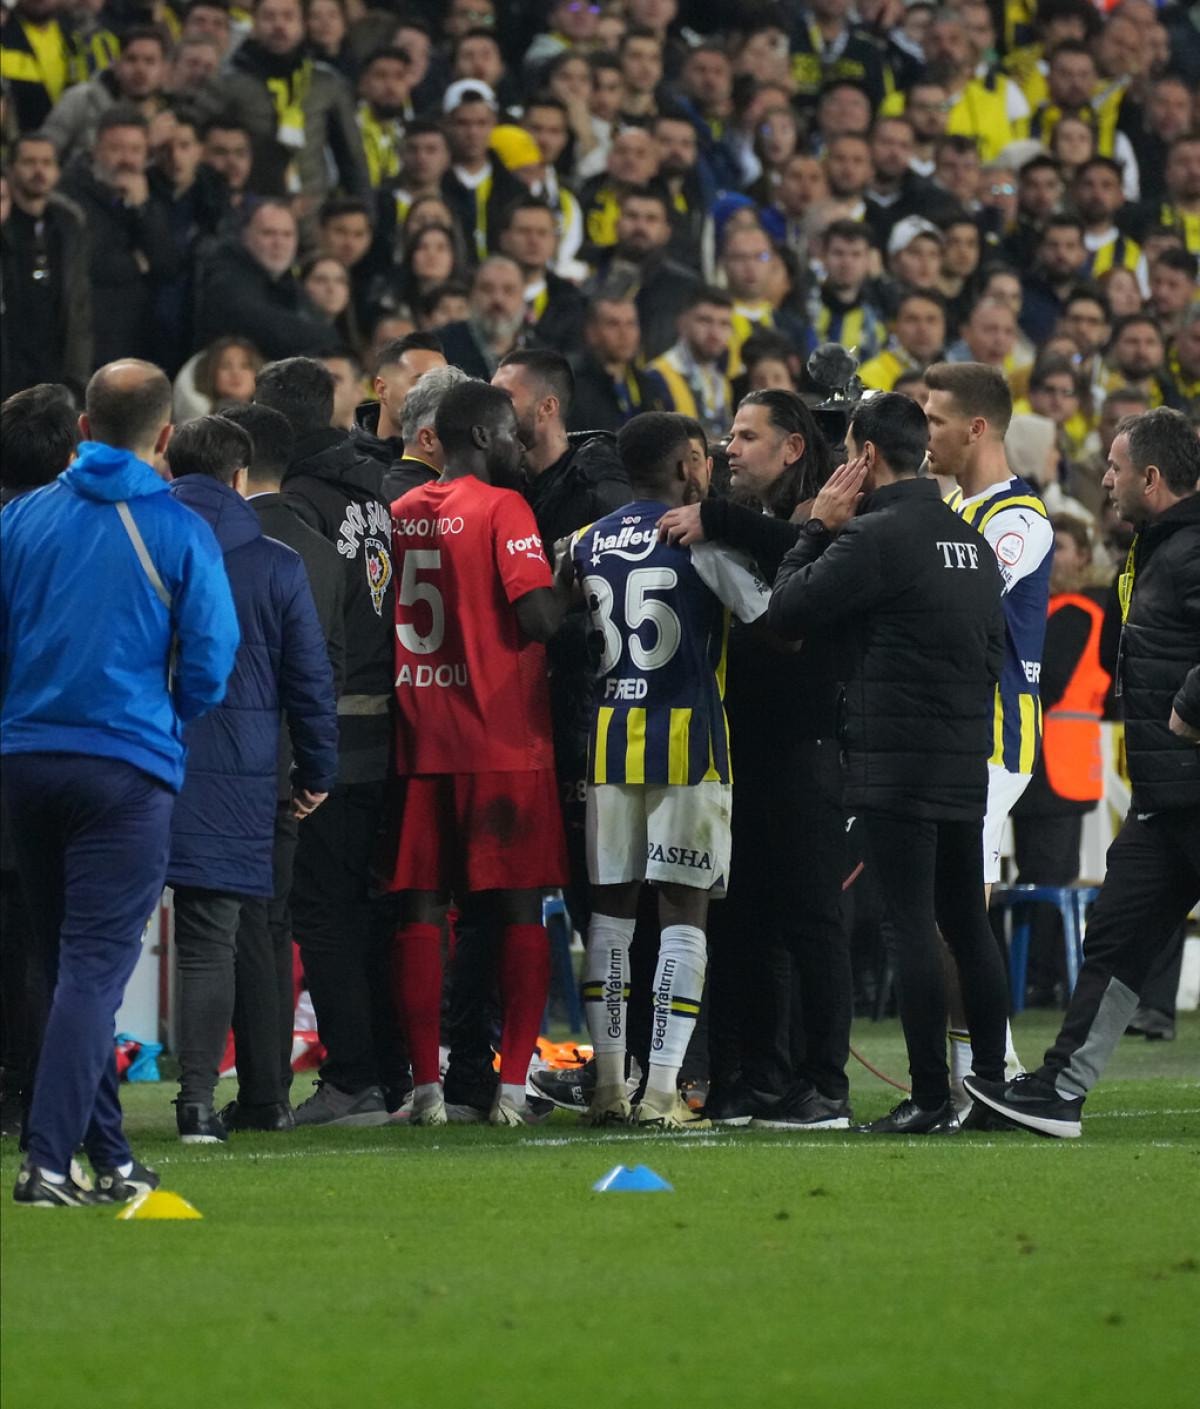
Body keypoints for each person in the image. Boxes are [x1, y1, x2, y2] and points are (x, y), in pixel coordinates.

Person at [2, 359, 239, 1205]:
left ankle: (110, 1153)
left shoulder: (20, 518)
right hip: (125, 764)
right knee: (95, 968)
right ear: (165, 435)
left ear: (83, 427)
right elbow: (211, 656)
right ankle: (47, 1161)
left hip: (27, 763)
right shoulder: (177, 527)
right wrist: (168, 712)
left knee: (67, 965)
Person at [768, 392, 1010, 1135]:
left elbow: (785, 611)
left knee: (909, 925)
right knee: (967, 923)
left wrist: (815, 528)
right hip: (963, 758)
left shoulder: (874, 536)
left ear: (866, 456)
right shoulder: (970, 540)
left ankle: (930, 1095)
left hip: (893, 763)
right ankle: (992, 1089)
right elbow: (992, 653)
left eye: (847, 453)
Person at [966, 408, 1200, 1137]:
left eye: (1115, 469)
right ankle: (1059, 1091)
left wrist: (1191, 704)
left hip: (1188, 782)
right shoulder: (1160, 546)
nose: (1104, 481)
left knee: (1117, 936)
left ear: (1151, 478)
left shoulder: (1192, 547)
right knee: (1115, 937)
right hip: (1168, 796)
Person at [567, 411, 771, 1129]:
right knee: (684, 914)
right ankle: (660, 1092)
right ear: (688, 464)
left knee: (610, 915)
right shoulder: (699, 537)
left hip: (608, 743)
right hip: (689, 745)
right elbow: (771, 617)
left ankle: (606, 1086)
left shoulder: (586, 540)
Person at [657, 389, 852, 1130]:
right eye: (729, 435)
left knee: (812, 919)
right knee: (744, 920)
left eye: (746, 436)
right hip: (741, 750)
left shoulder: (836, 515)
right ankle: (756, 1076)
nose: (729, 448)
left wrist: (720, 518)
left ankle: (825, 1082)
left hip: (807, 747)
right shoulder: (756, 522)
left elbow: (809, 569)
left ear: (792, 446)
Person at [381, 378, 568, 1128]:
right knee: (519, 910)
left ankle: (426, 1090)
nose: (521, 447)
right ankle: (513, 1091)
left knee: (422, 910)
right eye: (513, 434)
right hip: (502, 739)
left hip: (421, 735)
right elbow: (539, 617)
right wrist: (572, 578)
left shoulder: (400, 512)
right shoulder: (503, 507)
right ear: (486, 436)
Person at [164, 414, 338, 1143]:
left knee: (95, 935)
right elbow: (310, 680)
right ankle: (200, 1105)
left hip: (134, 759)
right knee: (214, 938)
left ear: (170, 466)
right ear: (239, 477)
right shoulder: (275, 563)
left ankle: (69, 1101)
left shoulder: (138, 545)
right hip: (240, 776)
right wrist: (316, 770)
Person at [260, 356, 402, 1125]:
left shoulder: (297, 504)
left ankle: (352, 1076)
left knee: (319, 908)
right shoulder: (372, 488)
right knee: (368, 907)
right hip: (386, 723)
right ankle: (388, 1068)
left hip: (330, 730)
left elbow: (305, 630)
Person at [219, 400, 347, 1129]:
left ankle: (242, 1090)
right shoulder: (321, 552)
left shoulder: (222, 547)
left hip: (227, 764)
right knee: (273, 924)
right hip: (294, 766)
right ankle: (267, 1093)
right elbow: (329, 668)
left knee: (229, 929)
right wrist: (312, 765)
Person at [928, 361, 1053, 1099]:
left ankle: (987, 1074)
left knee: (958, 911)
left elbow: (963, 600)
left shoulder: (1018, 519)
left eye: (935, 419)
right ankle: (980, 1073)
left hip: (994, 734)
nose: (925, 433)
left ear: (976, 428)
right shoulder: (954, 509)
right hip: (951, 730)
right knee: (949, 910)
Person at [1009, 514, 1111, 1007]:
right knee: (1038, 873)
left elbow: (1046, 681)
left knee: (1046, 876)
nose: (1052, 561)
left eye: (1062, 548)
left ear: (1084, 557)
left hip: (1058, 765)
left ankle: (1040, 977)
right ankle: (1035, 974)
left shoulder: (1077, 612)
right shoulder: (1052, 610)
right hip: (1045, 762)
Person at [191, 0, 371, 207]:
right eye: (269, 17)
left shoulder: (327, 83)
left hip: (311, 211)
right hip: (248, 209)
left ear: (303, 25)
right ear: (254, 24)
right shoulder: (227, 83)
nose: (279, 25)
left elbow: (352, 160)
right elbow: (196, 138)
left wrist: (365, 213)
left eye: (288, 17)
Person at [59, 105, 181, 369]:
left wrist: (142, 209)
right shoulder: (70, 194)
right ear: (96, 150)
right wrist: (137, 264)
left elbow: (168, 266)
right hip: (87, 337)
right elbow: (92, 263)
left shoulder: (153, 193)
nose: (126, 159)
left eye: (135, 150)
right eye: (116, 148)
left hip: (139, 337)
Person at [0, 130, 92, 397]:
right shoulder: (4, 224)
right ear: (11, 168)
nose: (39, 171)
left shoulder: (69, 225)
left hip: (55, 366)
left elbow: (79, 303)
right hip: (10, 363)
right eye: (29, 162)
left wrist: (77, 373)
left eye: (47, 162)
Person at [198, 200, 338, 360]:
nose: (279, 243)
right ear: (246, 236)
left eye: (287, 234)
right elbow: (261, 324)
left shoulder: (285, 279)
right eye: (268, 233)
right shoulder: (225, 273)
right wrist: (326, 338)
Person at [352, 332, 447, 495]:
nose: (435, 395)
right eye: (422, 383)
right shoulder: (348, 463)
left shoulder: (457, 461)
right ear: (382, 390)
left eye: (443, 385)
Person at [644, 286, 735, 445]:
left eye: (724, 324)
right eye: (705, 321)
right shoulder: (655, 377)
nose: (715, 333)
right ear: (682, 323)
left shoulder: (721, 380)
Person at [438, 255, 534, 379]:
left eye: (509, 290)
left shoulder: (541, 354)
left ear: (523, 297)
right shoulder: (441, 347)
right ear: (472, 295)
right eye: (487, 289)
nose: (498, 299)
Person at [568, 294, 652, 434]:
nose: (624, 334)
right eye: (613, 324)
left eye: (630, 324)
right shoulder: (574, 388)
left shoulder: (648, 385)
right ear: (591, 332)